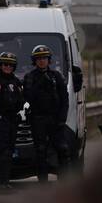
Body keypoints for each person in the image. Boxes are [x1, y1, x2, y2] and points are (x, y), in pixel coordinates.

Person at [23, 44, 69, 181]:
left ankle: (65, 181)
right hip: (38, 119)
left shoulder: (56, 76)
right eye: (38, 59)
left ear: (49, 60)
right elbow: (27, 97)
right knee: (40, 151)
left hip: (55, 119)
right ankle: (43, 183)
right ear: (34, 61)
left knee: (63, 149)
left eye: (44, 58)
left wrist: (62, 118)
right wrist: (40, 83)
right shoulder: (30, 77)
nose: (42, 61)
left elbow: (64, 99)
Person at [0, 51, 24, 190]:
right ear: (0, 65)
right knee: (0, 152)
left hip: (12, 120)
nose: (8, 67)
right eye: (5, 64)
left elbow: (22, 101)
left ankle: (5, 181)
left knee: (9, 152)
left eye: (10, 65)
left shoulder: (16, 82)